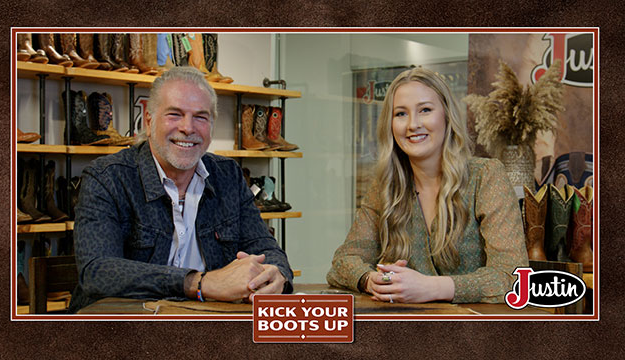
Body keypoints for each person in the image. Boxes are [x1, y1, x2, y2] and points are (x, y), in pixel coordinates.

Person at [69, 66, 292, 312]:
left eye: (201, 117)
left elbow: (266, 248)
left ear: (211, 125)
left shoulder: (228, 175)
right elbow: (98, 272)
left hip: (205, 324)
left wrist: (277, 274)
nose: (188, 127)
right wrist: (199, 283)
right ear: (149, 120)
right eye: (175, 114)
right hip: (120, 329)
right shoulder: (107, 178)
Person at [327, 67, 528, 304]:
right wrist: (371, 279)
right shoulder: (384, 186)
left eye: (425, 110)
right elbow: (342, 262)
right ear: (390, 125)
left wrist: (432, 288)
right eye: (400, 114)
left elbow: (514, 278)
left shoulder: (486, 176)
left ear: (446, 115)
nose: (413, 124)